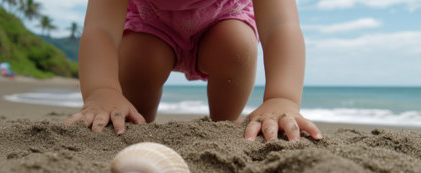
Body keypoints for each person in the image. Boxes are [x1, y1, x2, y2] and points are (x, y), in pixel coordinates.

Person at [65, 0, 323, 142]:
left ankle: (223, 127)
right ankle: (136, 128)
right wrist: (102, 90)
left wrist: (282, 98)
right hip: (150, 24)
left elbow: (280, 25)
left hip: (223, 18)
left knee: (235, 46)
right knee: (141, 59)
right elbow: (101, 29)